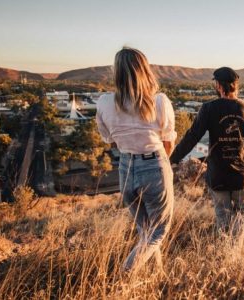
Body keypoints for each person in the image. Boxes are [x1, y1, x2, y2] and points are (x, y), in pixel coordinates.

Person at [96, 47, 176, 272]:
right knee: (158, 231)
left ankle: (157, 274)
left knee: (145, 230)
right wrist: (158, 165)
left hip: (125, 166)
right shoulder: (159, 101)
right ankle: (125, 273)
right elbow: (168, 142)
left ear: (116, 73)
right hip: (154, 164)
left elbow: (109, 139)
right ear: (145, 69)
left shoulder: (104, 103)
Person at [170, 67, 244, 245]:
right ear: (235, 85)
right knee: (243, 211)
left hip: (219, 175)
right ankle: (236, 250)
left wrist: (173, 158)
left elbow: (191, 137)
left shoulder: (209, 108)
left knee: (222, 213)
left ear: (218, 85)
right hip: (242, 175)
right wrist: (243, 162)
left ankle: (226, 249)